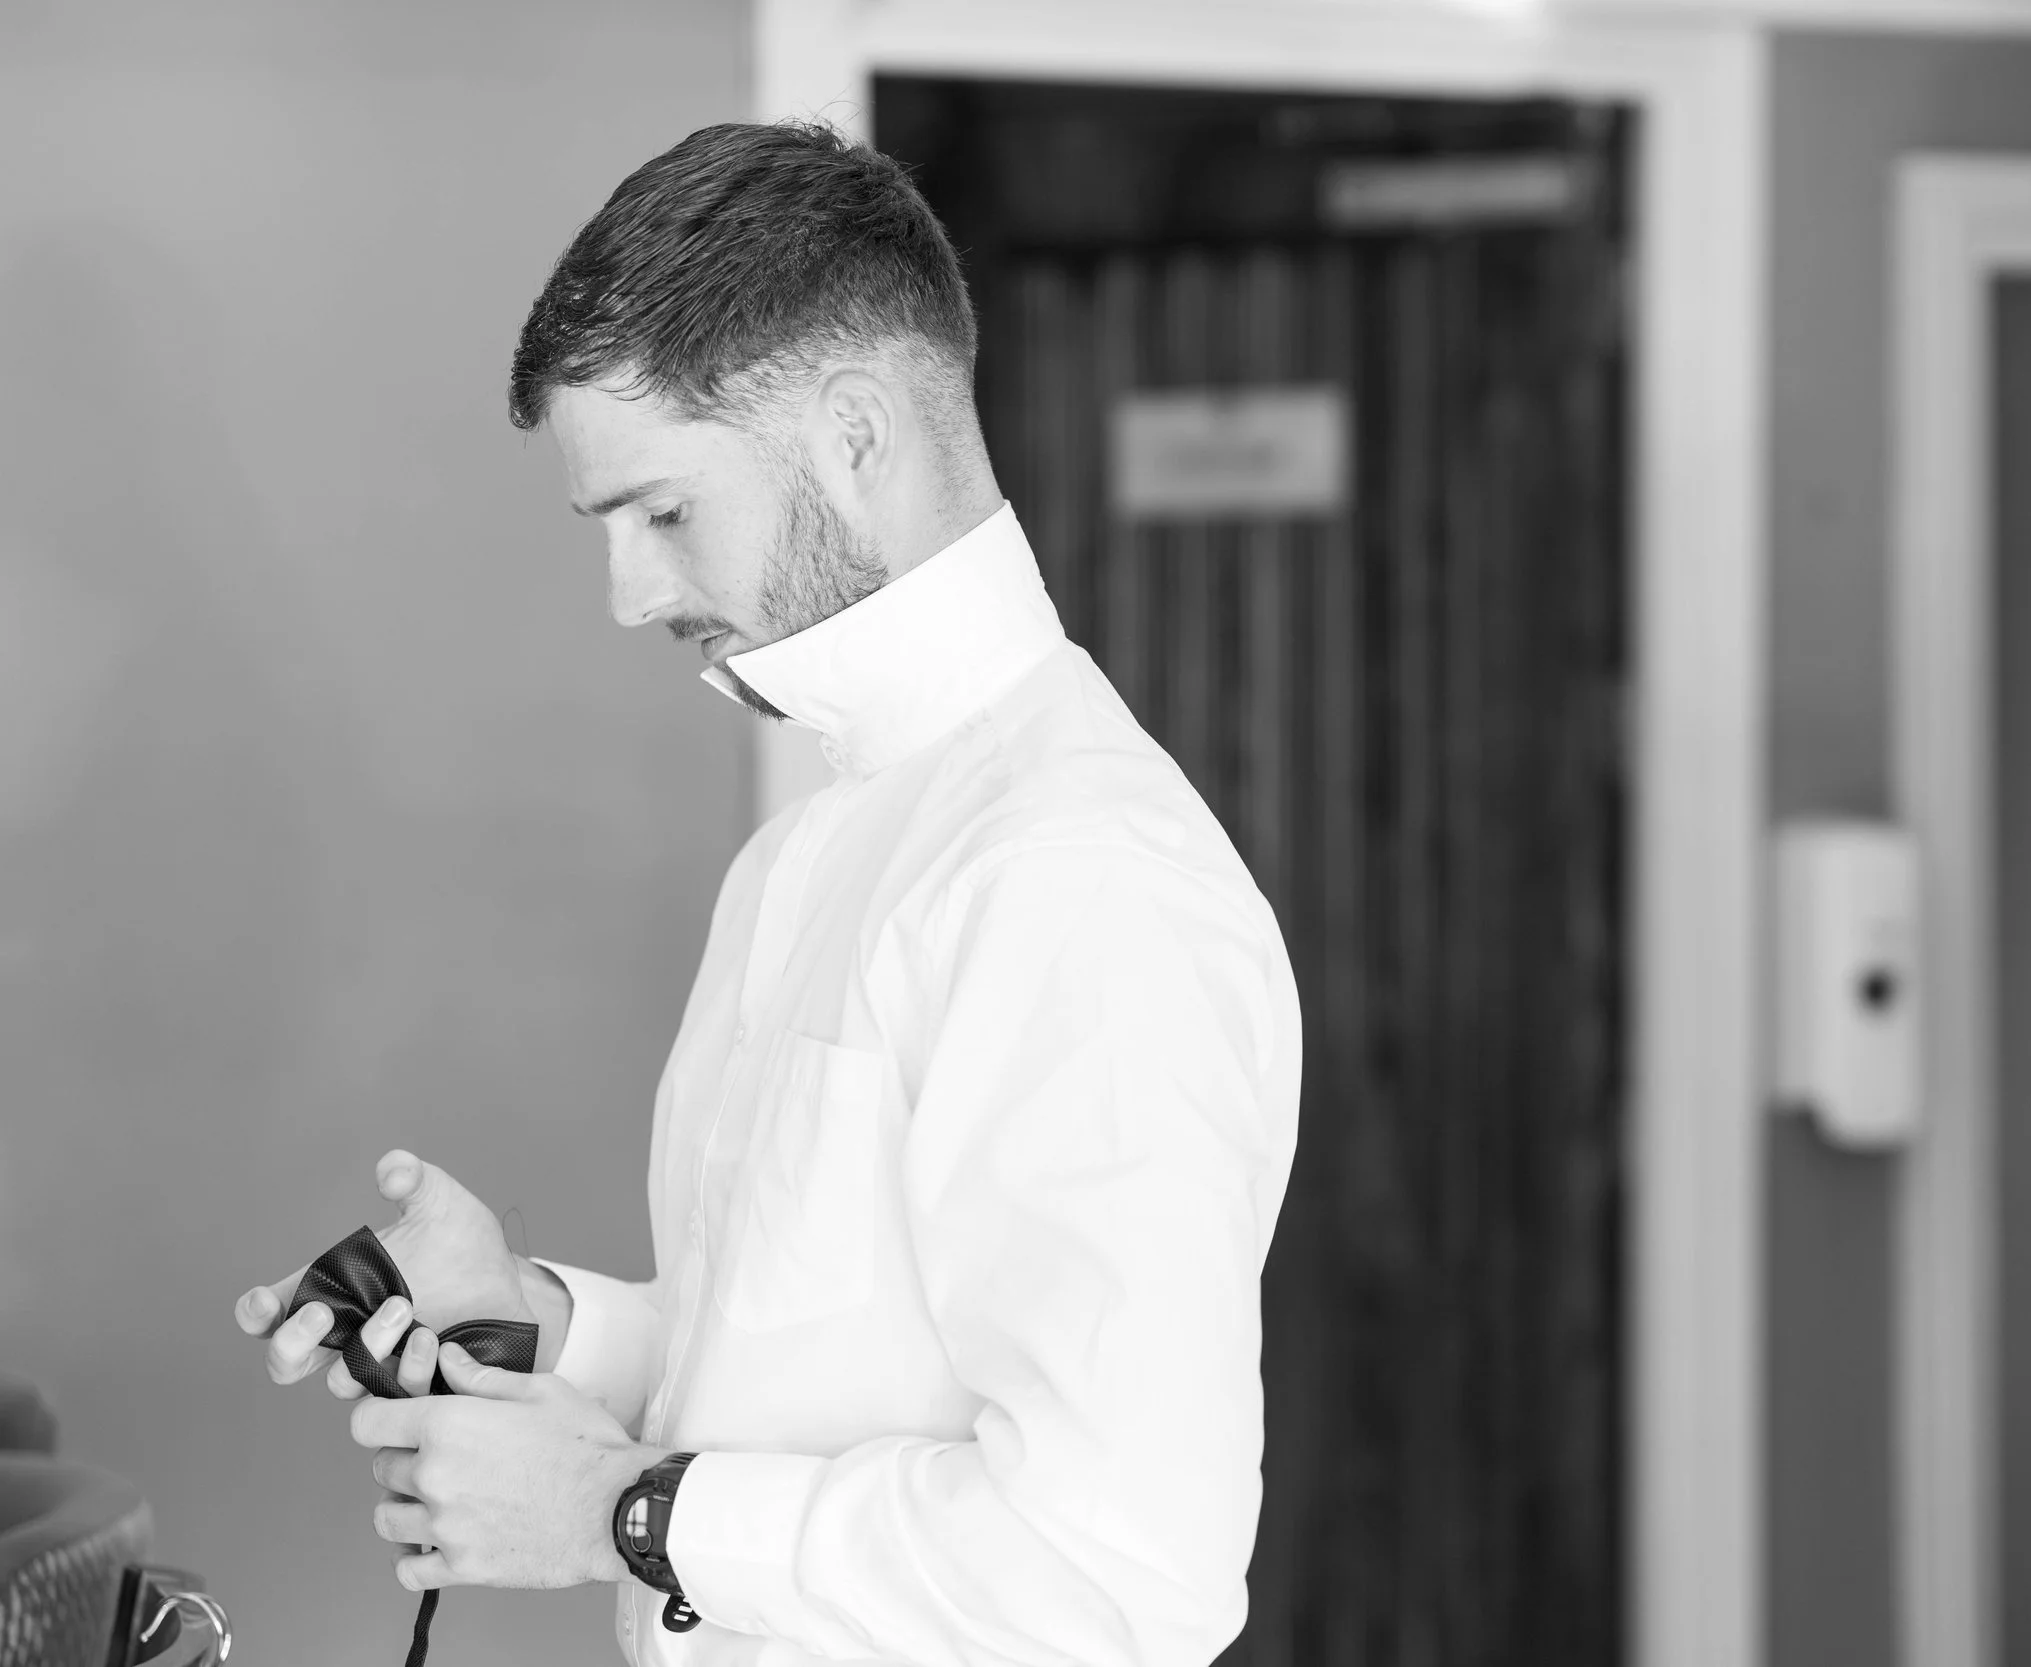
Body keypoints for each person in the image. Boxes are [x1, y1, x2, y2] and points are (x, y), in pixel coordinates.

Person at [231, 120, 1302, 1667]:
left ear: (856, 434)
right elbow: (817, 1372)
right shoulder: (806, 852)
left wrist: (625, 1513)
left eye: (664, 513)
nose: (631, 597)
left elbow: (1122, 1575)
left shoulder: (1078, 877)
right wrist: (538, 1314)